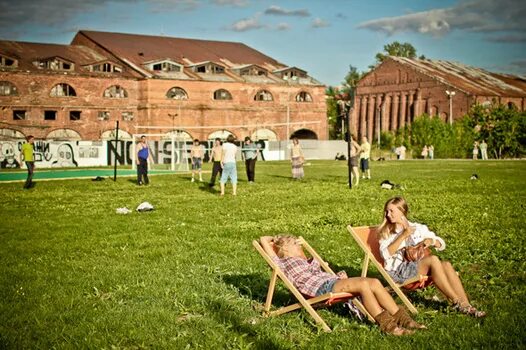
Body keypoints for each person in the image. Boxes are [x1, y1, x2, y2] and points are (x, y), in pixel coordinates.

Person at [260, 235, 425, 335]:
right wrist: (276, 240)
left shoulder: (304, 260)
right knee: (363, 284)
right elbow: (263, 240)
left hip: (331, 282)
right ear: (286, 249)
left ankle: (405, 320)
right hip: (319, 289)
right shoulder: (282, 262)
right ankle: (390, 327)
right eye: (295, 243)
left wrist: (291, 244)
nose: (299, 245)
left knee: (373, 282)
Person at [377, 196, 486, 318]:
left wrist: (432, 241)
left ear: (402, 211)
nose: (388, 214)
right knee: (434, 260)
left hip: (418, 266)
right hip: (399, 271)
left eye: (392, 211)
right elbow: (385, 254)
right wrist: (403, 235)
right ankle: (457, 302)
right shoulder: (386, 232)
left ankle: (466, 305)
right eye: (387, 211)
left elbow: (441, 244)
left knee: (446, 264)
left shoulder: (418, 228)